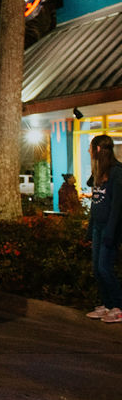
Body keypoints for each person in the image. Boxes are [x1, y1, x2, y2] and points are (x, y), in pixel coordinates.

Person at [85, 135, 122, 323]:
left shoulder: (117, 172)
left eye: (90, 148)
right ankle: (107, 305)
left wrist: (110, 231)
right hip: (98, 227)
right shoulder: (100, 172)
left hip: (109, 228)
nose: (88, 151)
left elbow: (117, 206)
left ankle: (118, 306)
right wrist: (91, 228)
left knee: (104, 268)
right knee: (96, 269)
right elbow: (95, 202)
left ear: (98, 149)